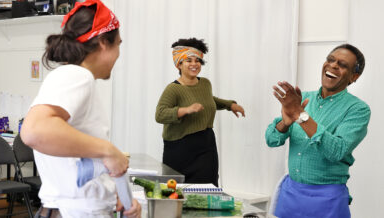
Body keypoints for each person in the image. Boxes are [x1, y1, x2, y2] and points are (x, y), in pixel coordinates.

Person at [20, 0, 141, 217]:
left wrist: (111, 194)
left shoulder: (70, 77)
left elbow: (72, 161)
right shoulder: (77, 76)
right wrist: (108, 150)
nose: (118, 54)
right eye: (118, 44)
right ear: (104, 42)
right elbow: (34, 131)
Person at [265, 44, 371, 218]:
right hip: (290, 195)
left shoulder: (358, 109)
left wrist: (301, 115)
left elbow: (336, 151)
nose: (333, 65)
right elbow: (271, 139)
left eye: (343, 65)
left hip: (327, 199)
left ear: (354, 76)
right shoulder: (303, 99)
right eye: (330, 60)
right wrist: (284, 123)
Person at [155, 38, 245, 186]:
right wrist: (185, 110)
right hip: (179, 149)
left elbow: (209, 100)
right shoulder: (173, 89)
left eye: (197, 60)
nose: (194, 64)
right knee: (177, 192)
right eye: (188, 60)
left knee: (206, 190)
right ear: (179, 63)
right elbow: (160, 114)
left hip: (206, 145)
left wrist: (230, 105)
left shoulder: (205, 83)